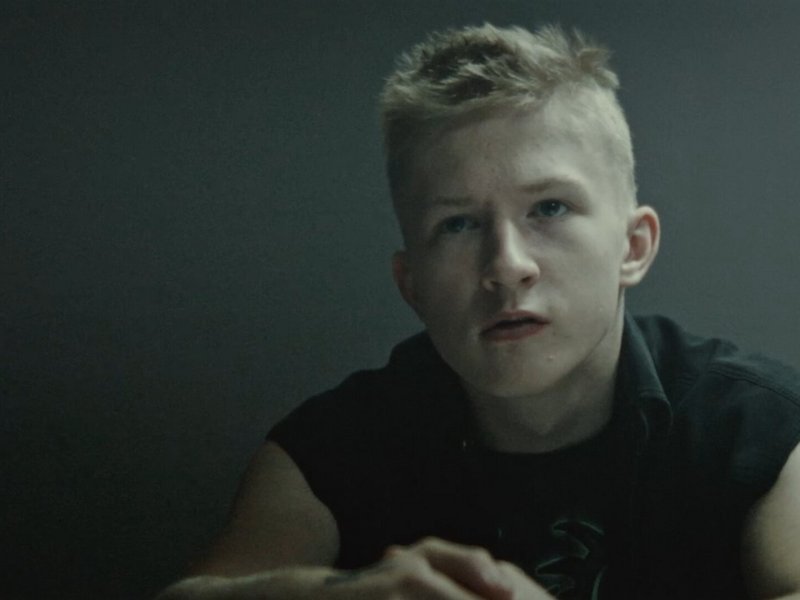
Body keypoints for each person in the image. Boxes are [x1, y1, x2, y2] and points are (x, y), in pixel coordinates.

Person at [157, 23, 800, 599]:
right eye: (458, 224)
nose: (506, 265)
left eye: (549, 208)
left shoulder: (756, 426)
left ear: (632, 247)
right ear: (412, 283)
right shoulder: (334, 447)